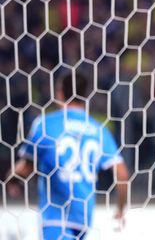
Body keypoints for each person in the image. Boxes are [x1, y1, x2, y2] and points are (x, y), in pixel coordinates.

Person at [8, 72, 130, 240]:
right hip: (83, 218)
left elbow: (26, 167)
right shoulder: (98, 130)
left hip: (56, 217)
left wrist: (12, 179)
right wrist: (121, 208)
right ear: (86, 95)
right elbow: (122, 174)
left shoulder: (46, 124)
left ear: (59, 93)